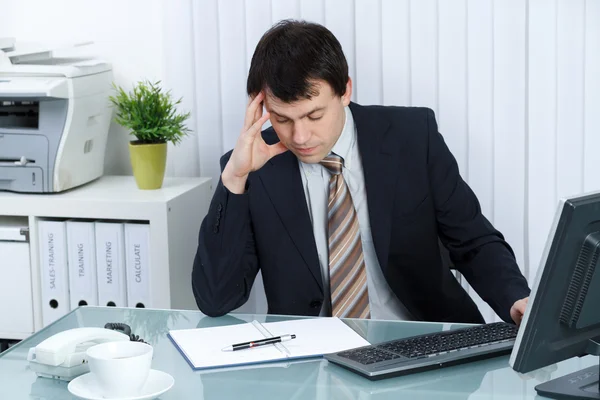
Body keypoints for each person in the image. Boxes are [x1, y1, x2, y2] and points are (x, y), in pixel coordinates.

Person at [192, 19, 530, 325]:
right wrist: (235, 181)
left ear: (345, 91)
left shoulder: (412, 137)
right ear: (262, 107)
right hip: (312, 364)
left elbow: (473, 241)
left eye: (314, 115)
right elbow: (216, 298)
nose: (300, 137)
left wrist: (515, 299)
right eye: (282, 119)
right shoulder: (252, 169)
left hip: (421, 342)